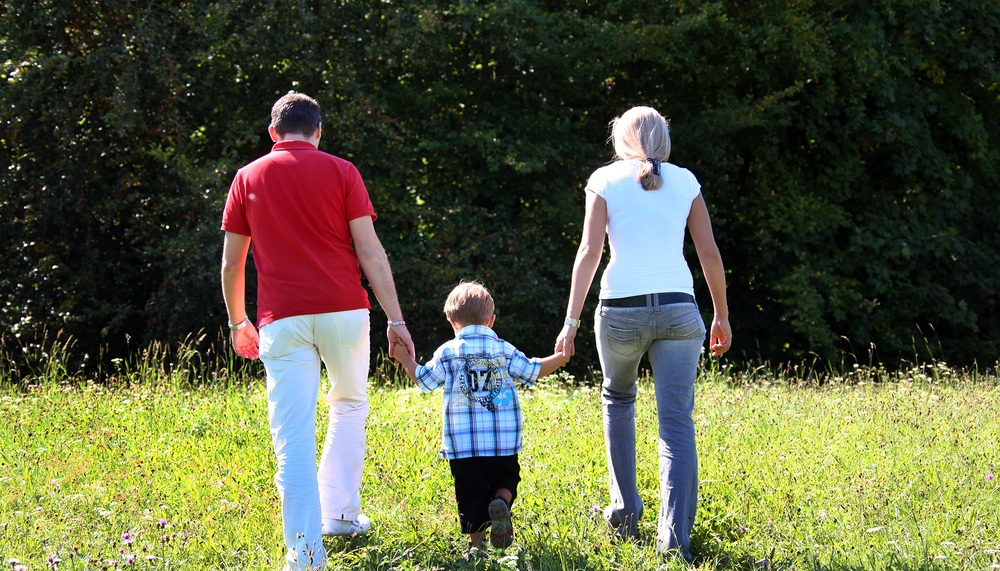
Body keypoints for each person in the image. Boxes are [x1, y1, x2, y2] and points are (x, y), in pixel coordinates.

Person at [220, 92, 414, 571]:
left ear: (273, 133)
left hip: (281, 319)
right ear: (319, 131)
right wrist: (396, 319)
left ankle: (306, 554)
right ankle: (341, 515)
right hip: (345, 312)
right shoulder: (343, 171)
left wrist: (238, 322)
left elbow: (232, 263)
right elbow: (370, 250)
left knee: (293, 437)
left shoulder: (247, 177)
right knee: (349, 404)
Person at [554, 106, 731, 562]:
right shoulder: (686, 181)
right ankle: (674, 542)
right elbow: (709, 252)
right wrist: (721, 315)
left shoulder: (604, 180)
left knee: (618, 400)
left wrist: (571, 322)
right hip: (679, 310)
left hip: (621, 312)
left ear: (621, 139)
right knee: (676, 421)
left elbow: (589, 252)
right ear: (663, 139)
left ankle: (625, 513)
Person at [391, 281, 569, 553]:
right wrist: (562, 356)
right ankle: (501, 501)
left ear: (452, 322)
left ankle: (476, 547)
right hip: (502, 442)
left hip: (464, 446)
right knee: (507, 479)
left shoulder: (448, 351)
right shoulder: (503, 348)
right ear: (491, 320)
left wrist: (405, 358)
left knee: (471, 494)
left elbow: (425, 380)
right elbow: (533, 370)